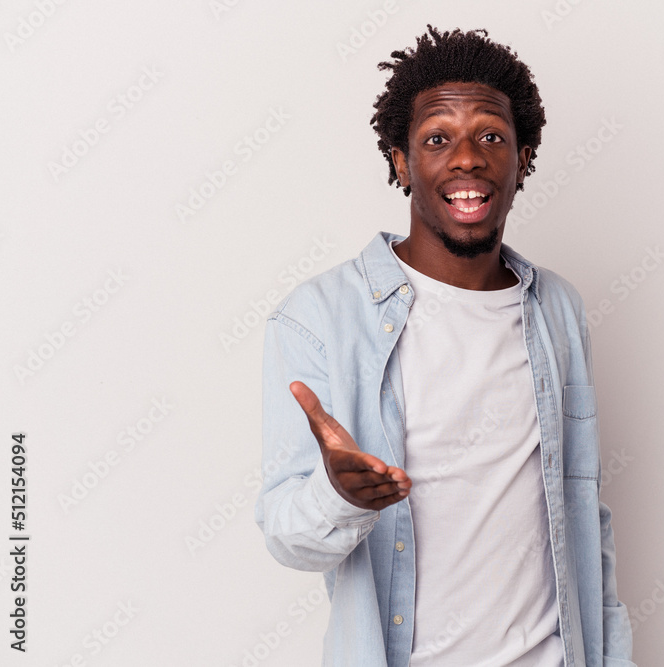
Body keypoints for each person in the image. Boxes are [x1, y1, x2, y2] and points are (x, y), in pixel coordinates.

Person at [255, 24, 635, 666]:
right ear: (402, 162)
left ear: (523, 159)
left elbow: (584, 520)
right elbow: (288, 539)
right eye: (437, 139)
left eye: (491, 137)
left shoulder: (559, 311)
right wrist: (338, 496)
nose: (467, 159)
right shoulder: (318, 318)